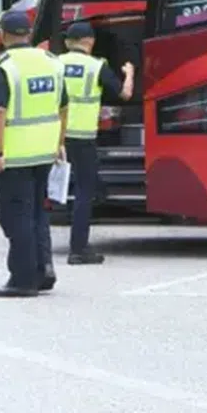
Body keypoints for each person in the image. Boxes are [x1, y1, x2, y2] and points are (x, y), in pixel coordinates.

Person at [0, 10, 68, 298]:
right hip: (45, 151)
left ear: (3, 34)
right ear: (29, 33)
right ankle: (44, 270)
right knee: (37, 213)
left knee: (17, 217)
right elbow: (63, 106)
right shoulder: (52, 62)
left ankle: (22, 278)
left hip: (15, 155)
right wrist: (59, 142)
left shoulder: (2, 66)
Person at [59, 21, 134, 265]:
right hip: (83, 138)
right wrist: (129, 73)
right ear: (90, 42)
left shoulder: (54, 64)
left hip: (55, 137)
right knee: (84, 192)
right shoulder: (95, 66)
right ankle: (78, 249)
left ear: (68, 43)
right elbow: (125, 94)